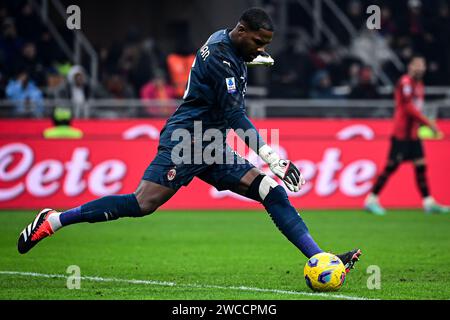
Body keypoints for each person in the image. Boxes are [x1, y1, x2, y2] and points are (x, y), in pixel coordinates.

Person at [17, 8, 361, 272]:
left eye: (265, 44)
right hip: (186, 139)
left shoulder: (228, 42)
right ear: (241, 31)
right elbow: (236, 118)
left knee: (271, 192)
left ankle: (320, 258)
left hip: (211, 145)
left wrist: (251, 56)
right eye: (258, 42)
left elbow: (231, 66)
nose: (260, 48)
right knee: (142, 204)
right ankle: (54, 220)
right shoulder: (224, 60)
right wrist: (274, 158)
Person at [364, 56, 448, 215]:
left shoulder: (419, 85)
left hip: (413, 135)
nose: (420, 68)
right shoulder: (405, 83)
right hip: (401, 134)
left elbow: (416, 108)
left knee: (421, 166)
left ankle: (428, 202)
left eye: (422, 65)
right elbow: (408, 108)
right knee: (391, 167)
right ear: (410, 66)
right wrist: (428, 123)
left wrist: (422, 124)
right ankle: (371, 199)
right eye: (417, 65)